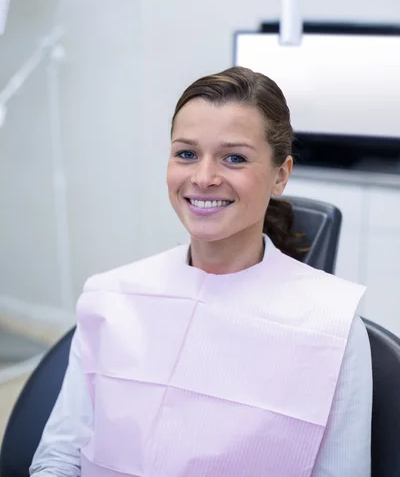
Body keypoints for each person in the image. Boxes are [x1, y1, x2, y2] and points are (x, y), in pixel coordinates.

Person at [30, 66, 372, 477]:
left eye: (234, 158)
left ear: (280, 175)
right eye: (186, 153)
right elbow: (59, 457)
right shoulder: (111, 298)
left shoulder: (334, 328)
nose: (204, 178)